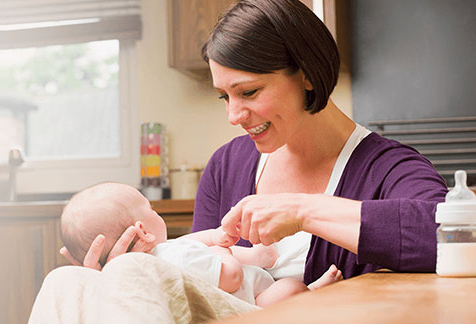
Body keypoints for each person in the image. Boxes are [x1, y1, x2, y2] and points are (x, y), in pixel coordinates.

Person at [63, 0, 447, 284]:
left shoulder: (389, 169)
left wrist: (304, 211)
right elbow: (199, 287)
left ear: (307, 75)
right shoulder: (226, 166)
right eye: (224, 97)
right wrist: (129, 274)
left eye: (248, 92)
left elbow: (451, 237)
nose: (233, 115)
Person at [60, 182, 342, 306]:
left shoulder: (163, 255)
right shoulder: (172, 260)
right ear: (143, 230)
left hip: (251, 282)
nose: (157, 212)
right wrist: (220, 249)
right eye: (151, 209)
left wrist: (216, 236)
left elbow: (191, 241)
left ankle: (263, 259)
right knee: (288, 290)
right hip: (249, 304)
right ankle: (312, 291)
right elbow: (231, 276)